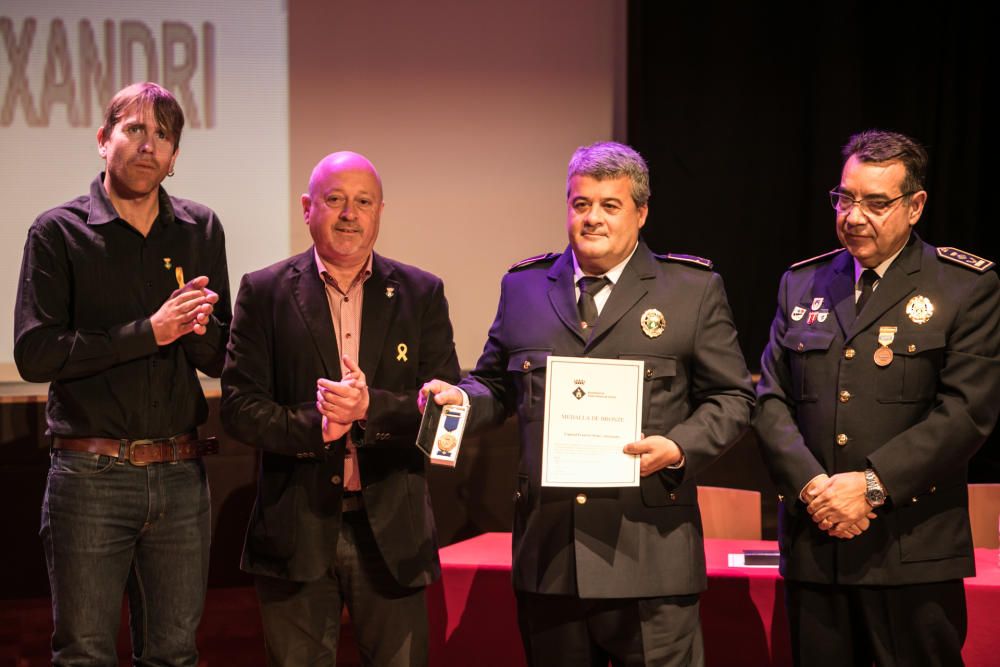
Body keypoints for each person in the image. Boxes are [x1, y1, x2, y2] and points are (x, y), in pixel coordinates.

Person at [420, 141, 754, 666]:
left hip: (650, 556)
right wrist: (460, 397)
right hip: (551, 557)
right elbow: (496, 386)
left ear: (641, 213)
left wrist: (678, 446)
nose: (592, 218)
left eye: (609, 205)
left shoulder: (691, 291)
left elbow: (734, 396)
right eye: (581, 204)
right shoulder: (524, 287)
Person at [754, 129, 1000, 666]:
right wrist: (815, 488)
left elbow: (966, 412)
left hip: (911, 551)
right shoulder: (803, 283)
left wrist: (870, 486)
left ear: (915, 207)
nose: (854, 215)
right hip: (815, 546)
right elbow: (769, 399)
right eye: (845, 198)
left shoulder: (963, 286)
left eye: (876, 202)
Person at [13, 82, 231, 665]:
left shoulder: (199, 229)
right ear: (103, 140)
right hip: (90, 475)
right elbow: (35, 353)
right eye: (134, 129)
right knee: (84, 653)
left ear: (175, 156)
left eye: (163, 135)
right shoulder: (57, 232)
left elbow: (217, 357)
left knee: (175, 654)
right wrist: (150, 332)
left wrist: (199, 328)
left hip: (182, 475)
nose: (148, 145)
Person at [220, 151, 460, 666]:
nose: (349, 213)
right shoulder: (263, 292)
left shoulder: (421, 293)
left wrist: (371, 408)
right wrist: (320, 427)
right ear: (308, 208)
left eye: (363, 201)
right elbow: (239, 409)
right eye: (334, 200)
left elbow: (449, 418)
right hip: (296, 530)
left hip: (394, 534)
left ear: (379, 212)